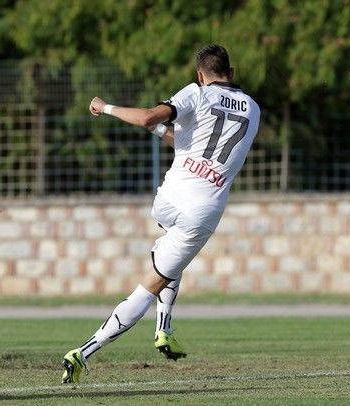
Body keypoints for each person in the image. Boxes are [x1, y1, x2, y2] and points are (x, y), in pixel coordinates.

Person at [61, 44, 261, 384]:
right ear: (232, 72)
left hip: (169, 198)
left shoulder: (197, 93)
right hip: (202, 211)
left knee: (168, 254)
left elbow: (155, 123)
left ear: (200, 74)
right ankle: (83, 353)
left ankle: (164, 329)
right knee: (150, 285)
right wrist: (144, 122)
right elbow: (199, 144)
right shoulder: (253, 109)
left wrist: (104, 107)